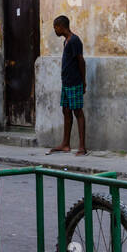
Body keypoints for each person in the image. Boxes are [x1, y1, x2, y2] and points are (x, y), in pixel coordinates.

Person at [49, 15, 87, 155]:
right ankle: (65, 144)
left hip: (74, 82)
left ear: (61, 26)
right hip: (66, 83)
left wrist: (83, 82)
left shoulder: (74, 41)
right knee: (66, 111)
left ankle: (82, 147)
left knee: (78, 112)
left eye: (55, 28)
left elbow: (81, 62)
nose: (55, 30)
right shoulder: (66, 41)